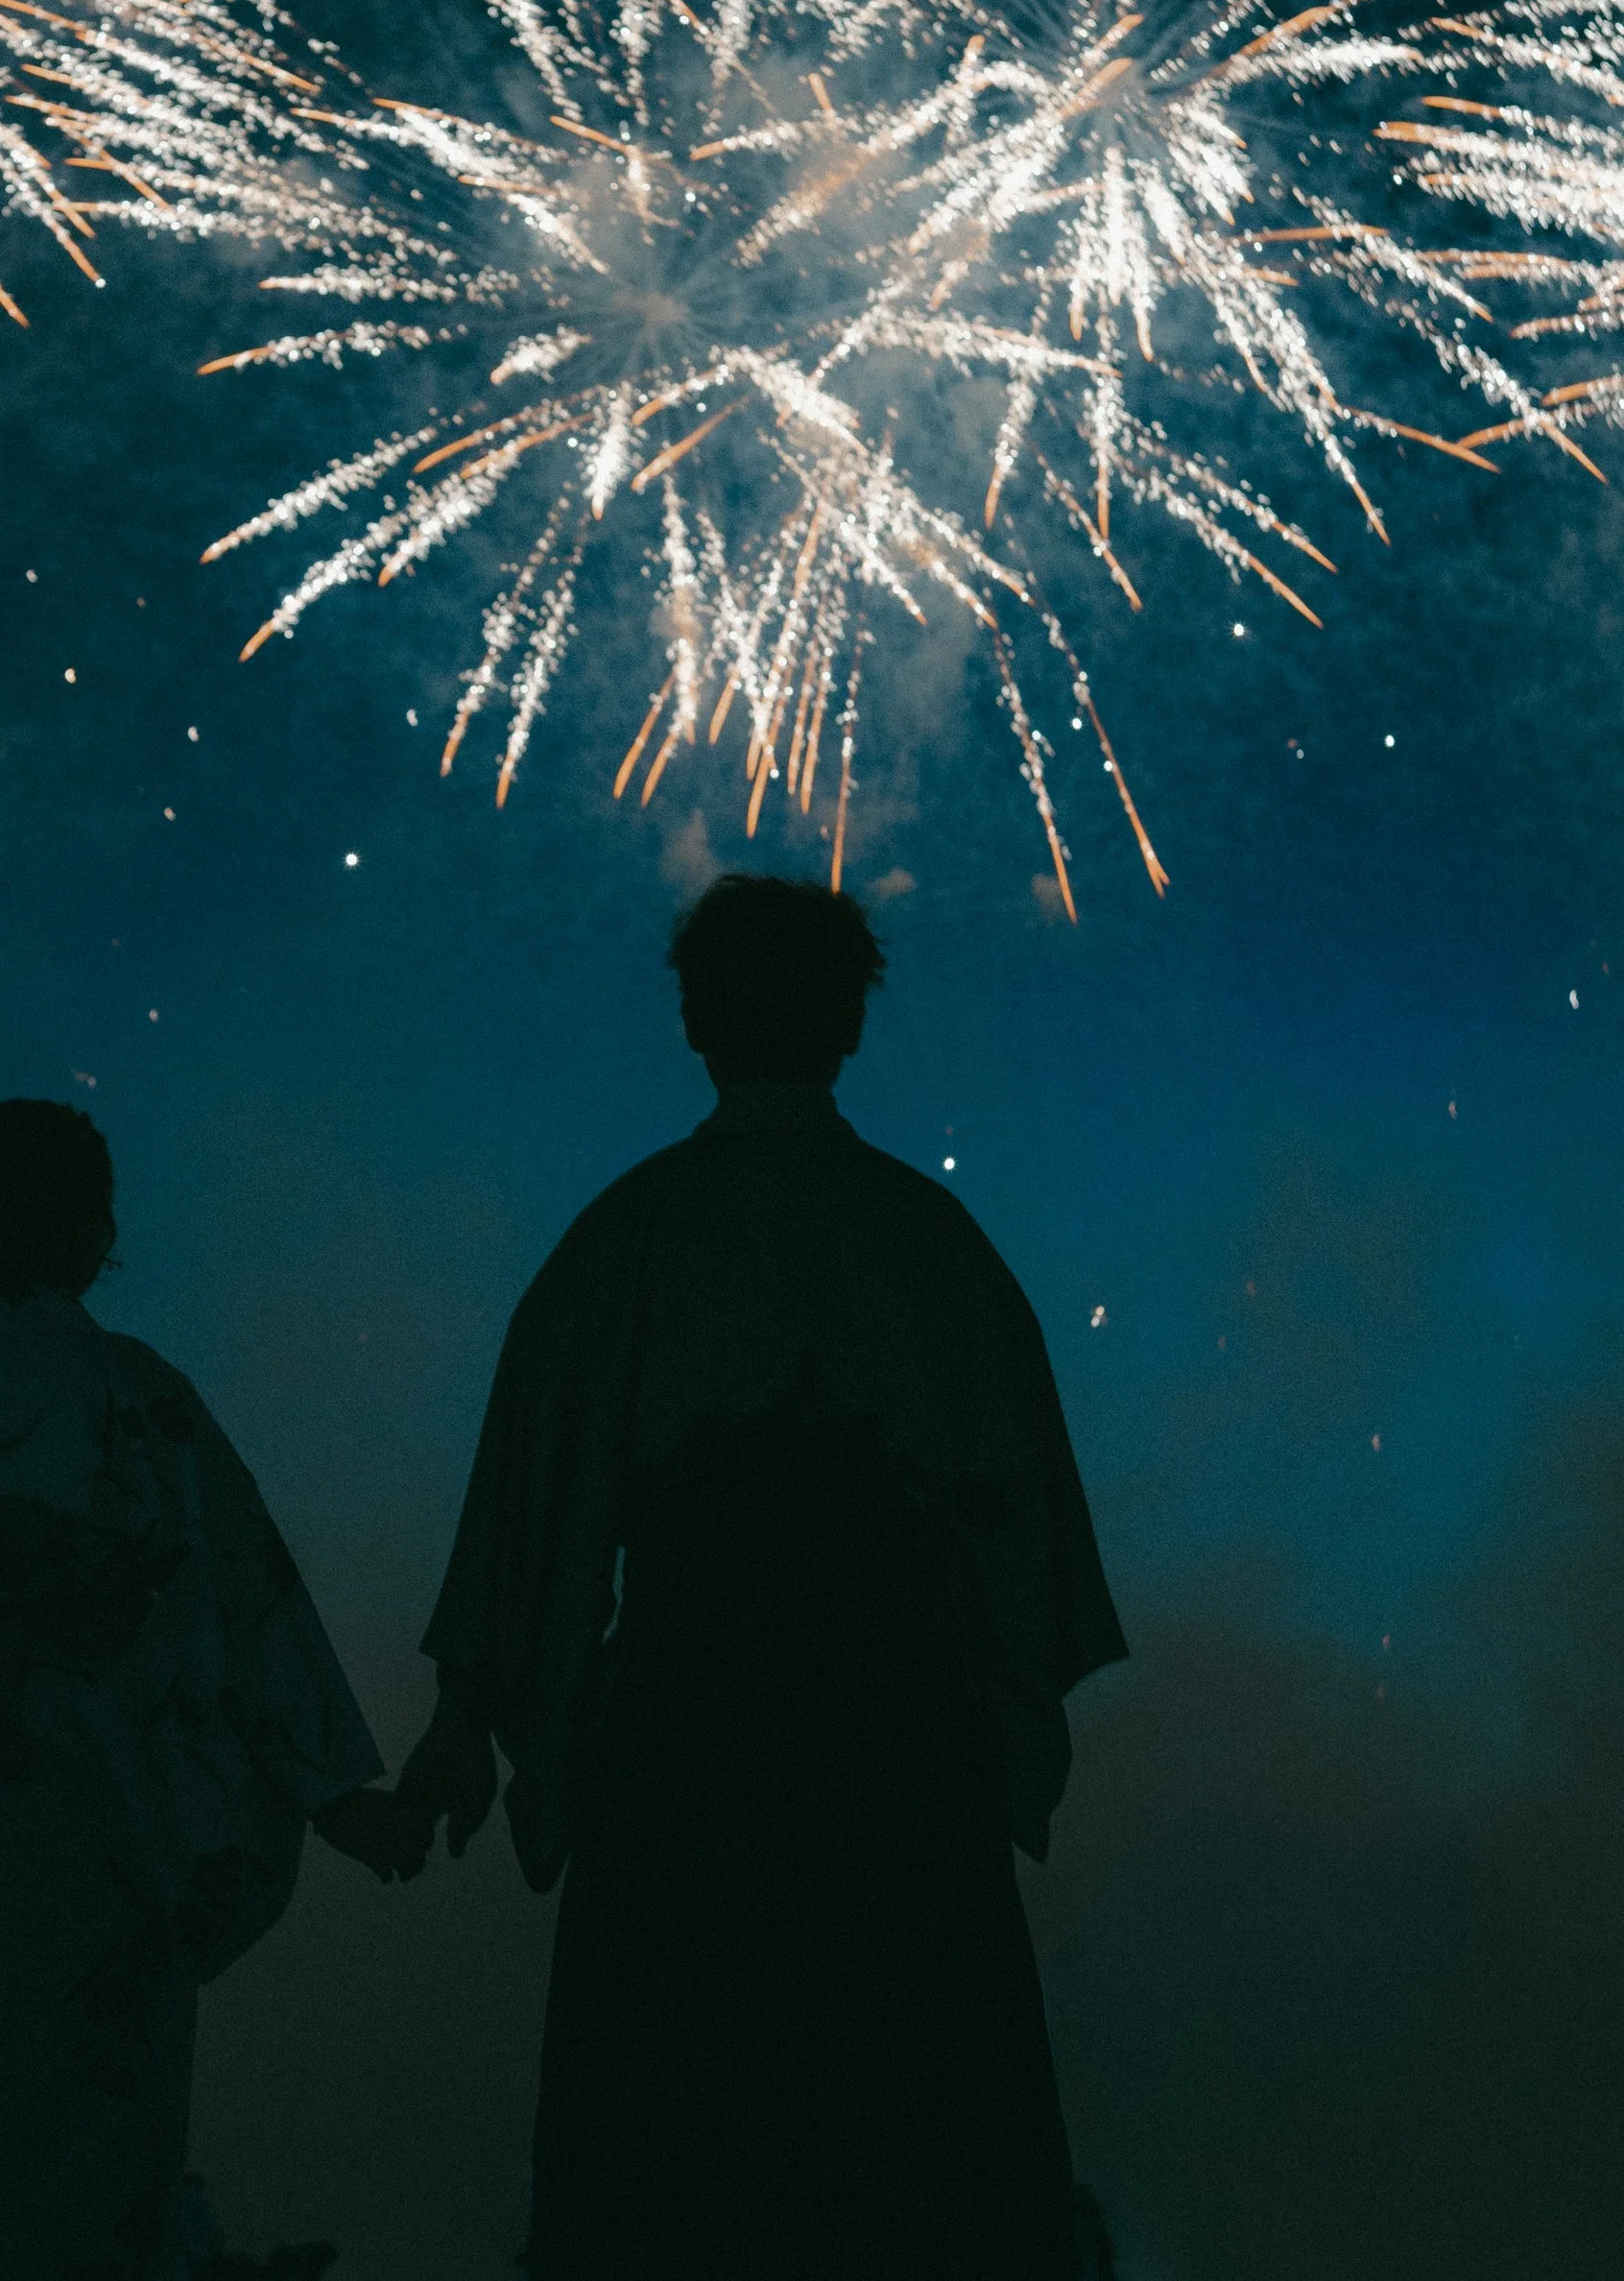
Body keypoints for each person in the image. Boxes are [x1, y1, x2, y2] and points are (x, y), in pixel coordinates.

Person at [395, 874, 1126, 2280]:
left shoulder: (626, 1240)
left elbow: (533, 1514)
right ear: (850, 1025)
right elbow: (1017, 1534)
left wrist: (469, 1710)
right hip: (894, 1747)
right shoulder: (936, 1248)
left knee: (678, 2145)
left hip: (693, 1735)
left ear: (694, 1022)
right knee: (915, 2146)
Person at [0, 1096, 422, 2281]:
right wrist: (338, 1797)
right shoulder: (137, 1404)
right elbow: (251, 1608)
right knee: (86, 2200)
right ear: (89, 1234)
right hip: (97, 1868)